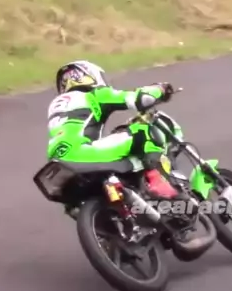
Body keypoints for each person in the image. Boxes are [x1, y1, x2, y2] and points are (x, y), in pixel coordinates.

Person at [47, 60, 181, 198]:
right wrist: (160, 89)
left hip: (57, 161)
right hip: (84, 152)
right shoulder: (95, 94)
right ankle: (157, 180)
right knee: (144, 130)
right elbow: (141, 98)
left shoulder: (56, 104)